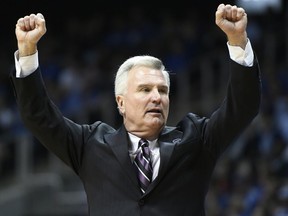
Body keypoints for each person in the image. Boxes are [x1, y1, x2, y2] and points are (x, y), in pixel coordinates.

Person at [10, 3, 262, 216]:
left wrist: (238, 42)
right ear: (120, 102)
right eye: (145, 90)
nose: (156, 97)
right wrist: (28, 52)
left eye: (162, 91)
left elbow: (243, 106)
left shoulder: (196, 139)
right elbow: (39, 117)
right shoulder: (90, 144)